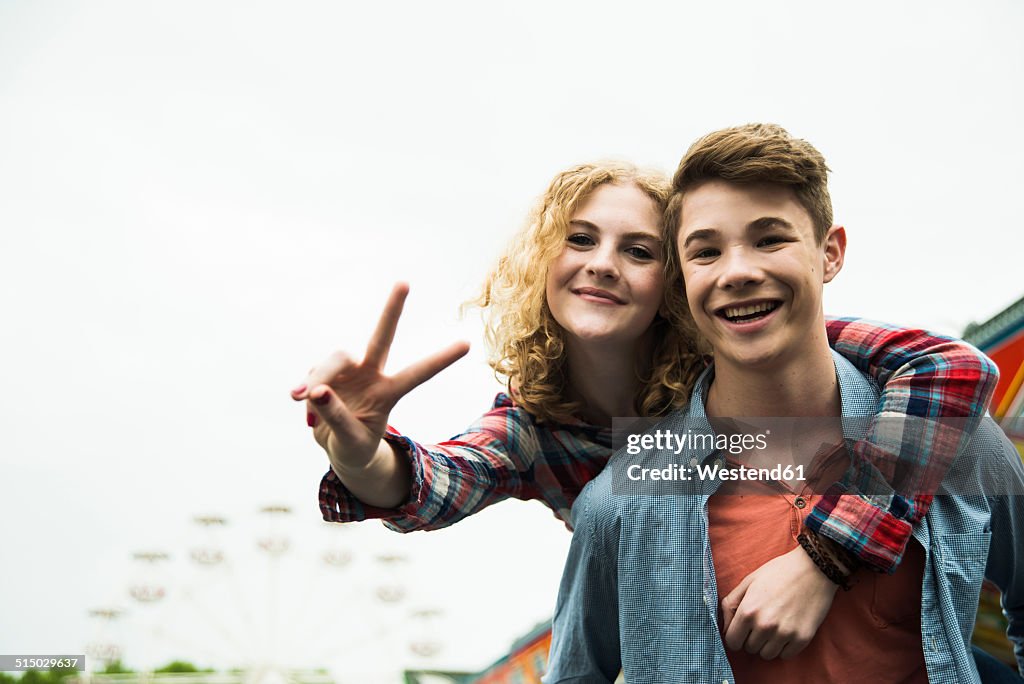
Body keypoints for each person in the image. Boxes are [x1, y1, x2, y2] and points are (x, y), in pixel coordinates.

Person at [290, 160, 996, 658]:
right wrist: (358, 453)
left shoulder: (737, 353)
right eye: (580, 238)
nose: (603, 263)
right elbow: (436, 485)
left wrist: (827, 555)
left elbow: (950, 366)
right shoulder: (536, 427)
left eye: (638, 250)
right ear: (543, 262)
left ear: (676, 279)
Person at [545, 124, 1024, 683]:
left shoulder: (949, 438)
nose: (739, 271)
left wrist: (823, 559)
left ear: (830, 252)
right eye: (706, 251)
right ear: (681, 279)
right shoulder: (624, 499)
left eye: (770, 239)